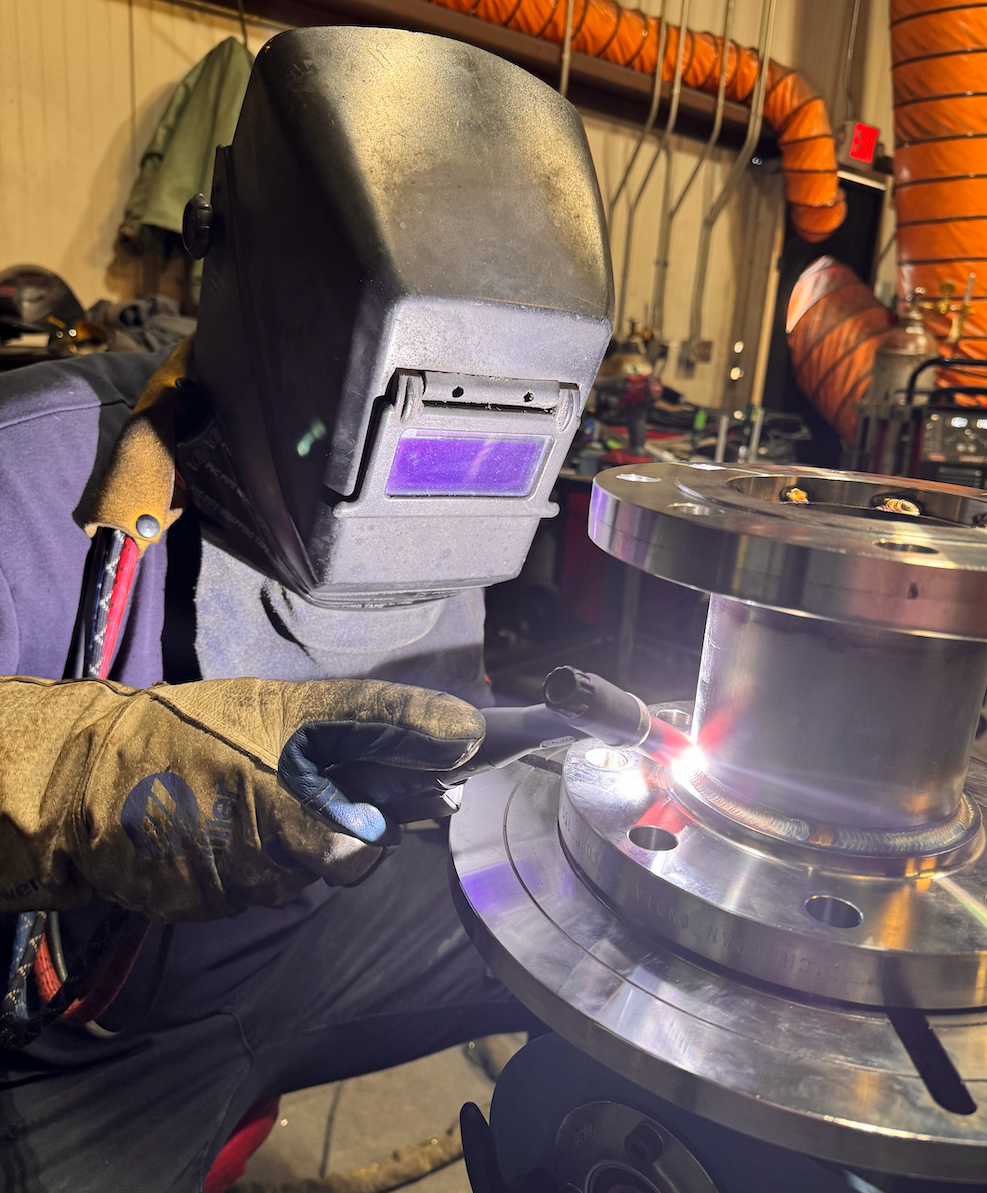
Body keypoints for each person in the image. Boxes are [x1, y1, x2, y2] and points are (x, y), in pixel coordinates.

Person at [0, 25, 612, 1193]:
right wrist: (84, 775)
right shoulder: (30, 480)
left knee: (610, 936)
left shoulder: (468, 462)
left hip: (301, 960)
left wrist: (572, 807)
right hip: (68, 1051)